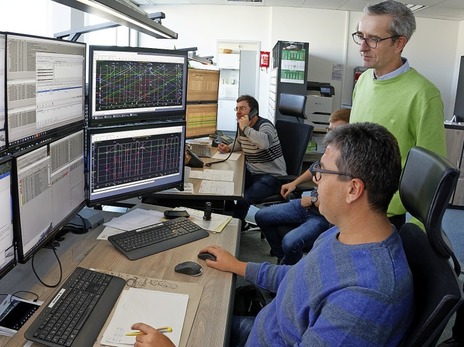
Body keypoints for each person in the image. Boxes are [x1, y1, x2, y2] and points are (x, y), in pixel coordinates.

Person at [131, 122, 413, 346]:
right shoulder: (341, 233)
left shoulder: (367, 297)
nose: (314, 181)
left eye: (321, 172)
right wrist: (238, 265)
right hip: (265, 329)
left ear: (353, 189)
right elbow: (299, 278)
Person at [351, 0, 446, 230]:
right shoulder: (363, 80)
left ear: (399, 43)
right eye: (360, 35)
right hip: (351, 204)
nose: (362, 47)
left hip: (385, 216)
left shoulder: (424, 95)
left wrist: (418, 232)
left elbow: (432, 176)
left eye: (373, 39)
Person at [255, 108, 350, 265]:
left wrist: (312, 200)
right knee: (261, 216)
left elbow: (340, 202)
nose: (331, 136)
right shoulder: (332, 151)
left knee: (290, 242)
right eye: (329, 130)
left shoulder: (350, 163)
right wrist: (294, 183)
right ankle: (283, 261)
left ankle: (288, 272)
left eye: (337, 131)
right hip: (306, 205)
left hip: (323, 216)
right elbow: (314, 168)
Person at [217, 95, 286, 229]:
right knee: (228, 187)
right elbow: (239, 143)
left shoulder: (265, 125)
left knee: (244, 198)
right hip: (253, 173)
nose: (238, 112)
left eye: (242, 108)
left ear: (253, 111)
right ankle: (229, 217)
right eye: (236, 109)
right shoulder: (242, 126)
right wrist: (228, 148)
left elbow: (264, 143)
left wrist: (246, 129)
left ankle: (235, 228)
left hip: (272, 176)